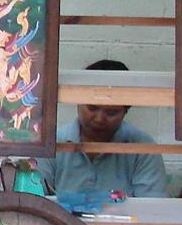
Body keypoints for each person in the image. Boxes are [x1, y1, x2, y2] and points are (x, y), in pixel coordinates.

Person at [35, 59, 167, 201]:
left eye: (111, 112)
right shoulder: (51, 144)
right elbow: (34, 200)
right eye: (92, 108)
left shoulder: (143, 149)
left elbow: (153, 205)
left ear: (125, 111)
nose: (99, 119)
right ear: (77, 102)